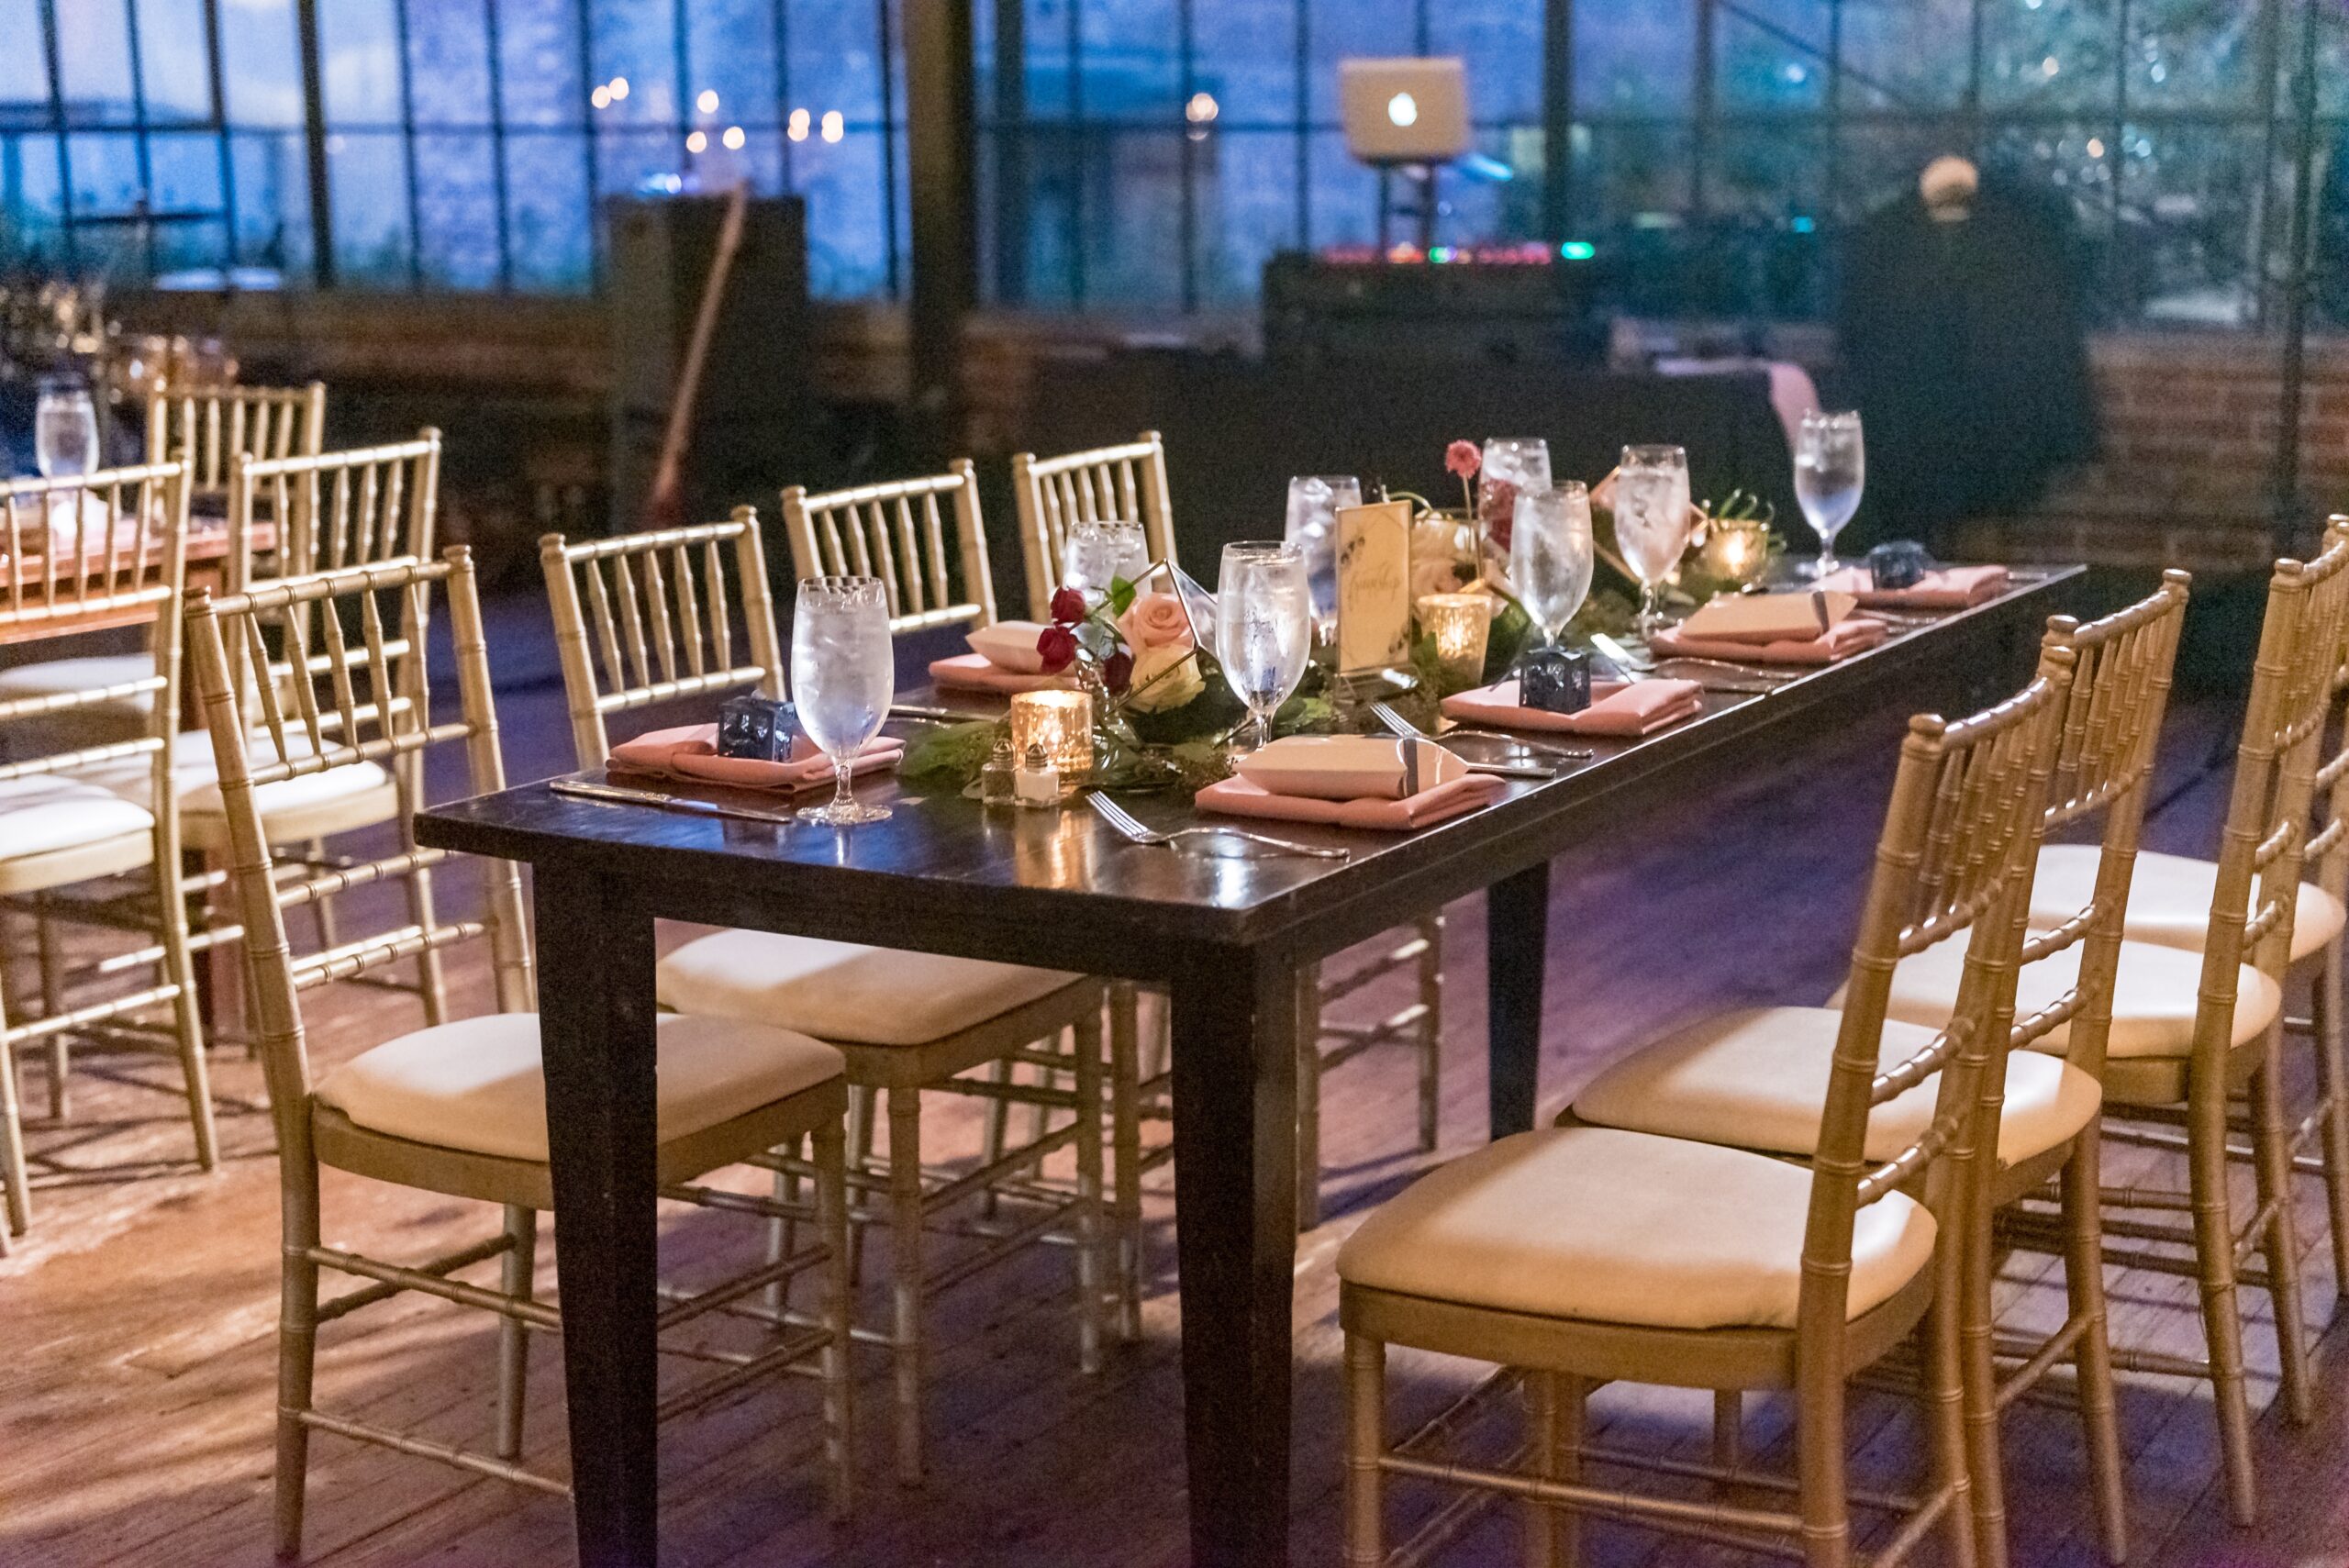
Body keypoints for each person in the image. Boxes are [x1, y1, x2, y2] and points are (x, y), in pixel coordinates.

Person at [1836, 154, 2098, 551]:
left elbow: (1852, 337)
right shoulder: (2024, 233)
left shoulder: (1883, 236)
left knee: (1933, 557)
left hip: (1930, 430)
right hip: (1981, 429)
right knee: (1970, 555)